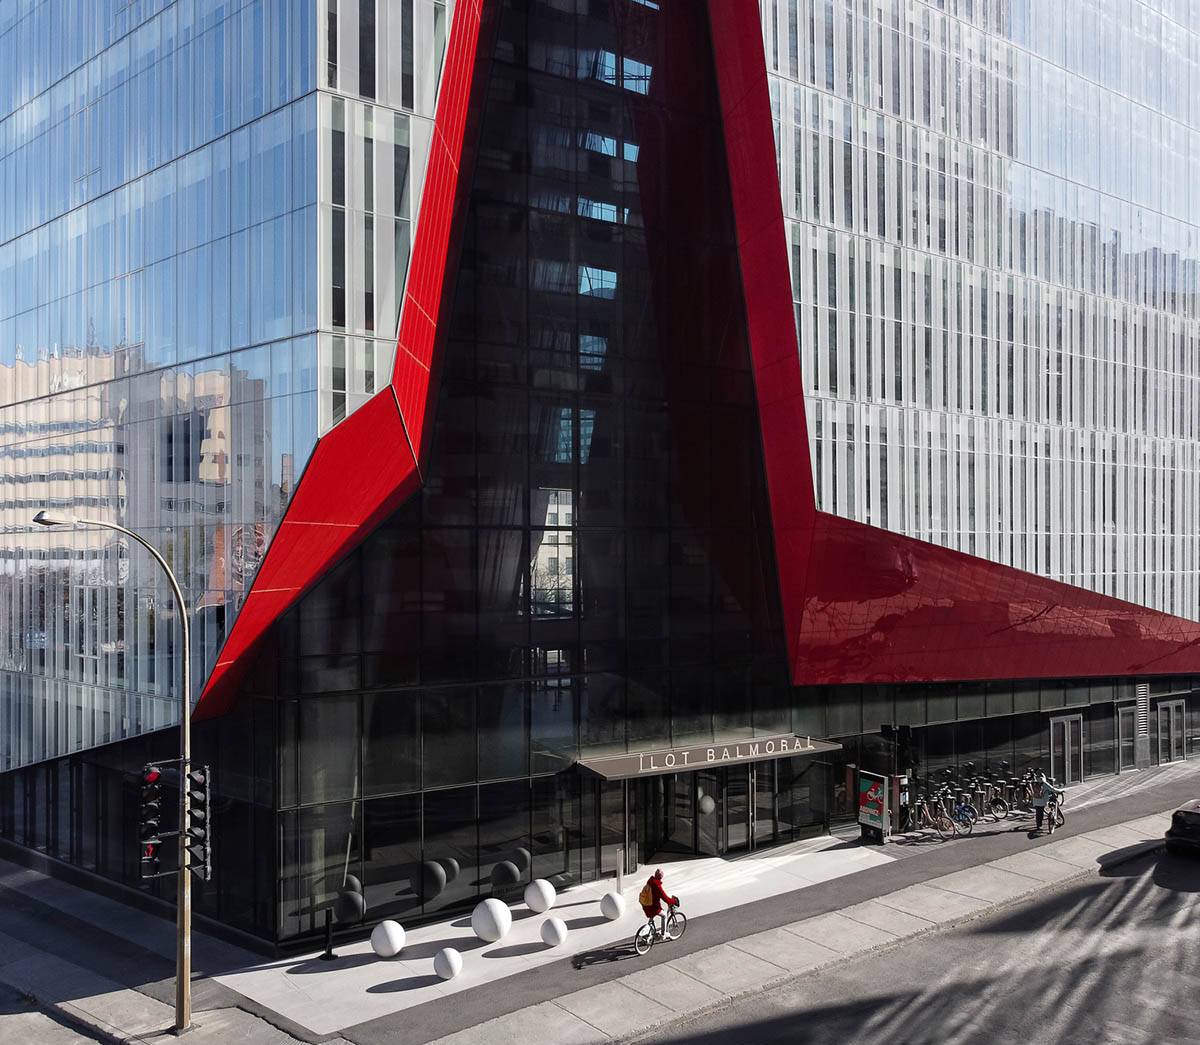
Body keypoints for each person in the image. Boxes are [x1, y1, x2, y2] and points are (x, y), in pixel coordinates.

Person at [640, 868, 678, 939]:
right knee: (664, 915)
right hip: (653, 907)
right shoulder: (657, 885)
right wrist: (673, 901)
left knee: (651, 917)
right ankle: (663, 935)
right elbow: (665, 898)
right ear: (661, 877)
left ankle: (647, 934)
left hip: (646, 904)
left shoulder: (650, 881)